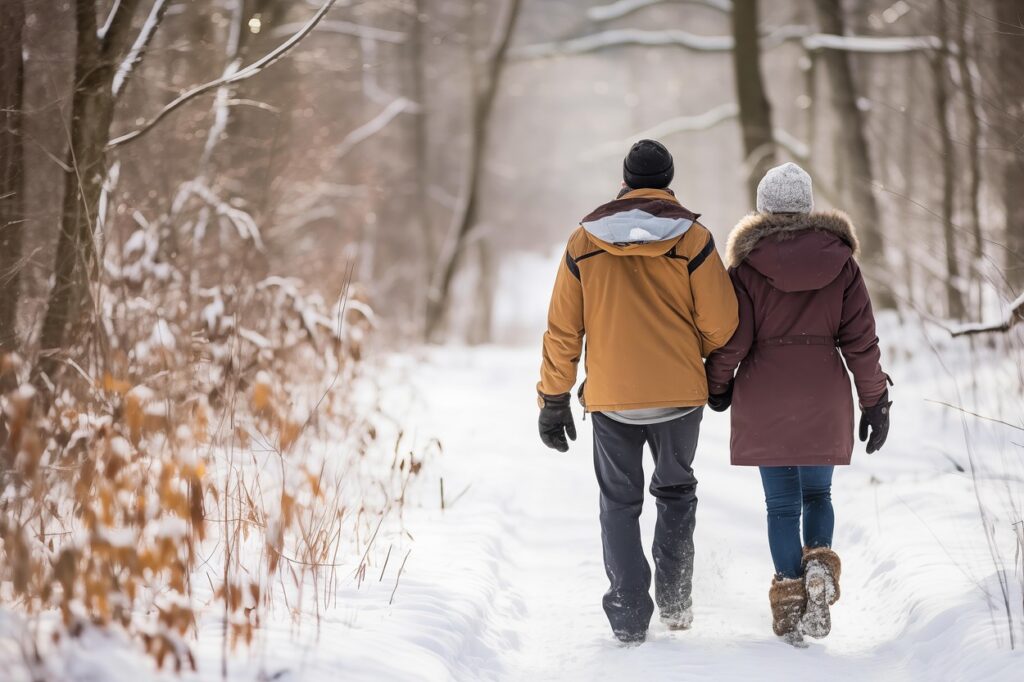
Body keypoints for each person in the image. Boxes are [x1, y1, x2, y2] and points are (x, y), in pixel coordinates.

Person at [536, 139, 739, 644]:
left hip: (611, 400)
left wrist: (553, 399)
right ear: (668, 181)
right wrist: (695, 352)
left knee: (619, 503)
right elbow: (723, 323)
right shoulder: (693, 240)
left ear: (624, 180)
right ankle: (674, 602)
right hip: (678, 396)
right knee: (674, 492)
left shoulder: (583, 242)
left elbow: (564, 331)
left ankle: (628, 614)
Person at [704, 162, 892, 646]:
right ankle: (820, 566)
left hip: (765, 394)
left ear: (764, 208)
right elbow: (862, 342)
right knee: (818, 496)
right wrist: (875, 400)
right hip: (823, 395)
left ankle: (789, 599)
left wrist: (718, 383)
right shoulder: (842, 264)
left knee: (780, 505)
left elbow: (733, 339)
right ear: (807, 207)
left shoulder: (744, 268)